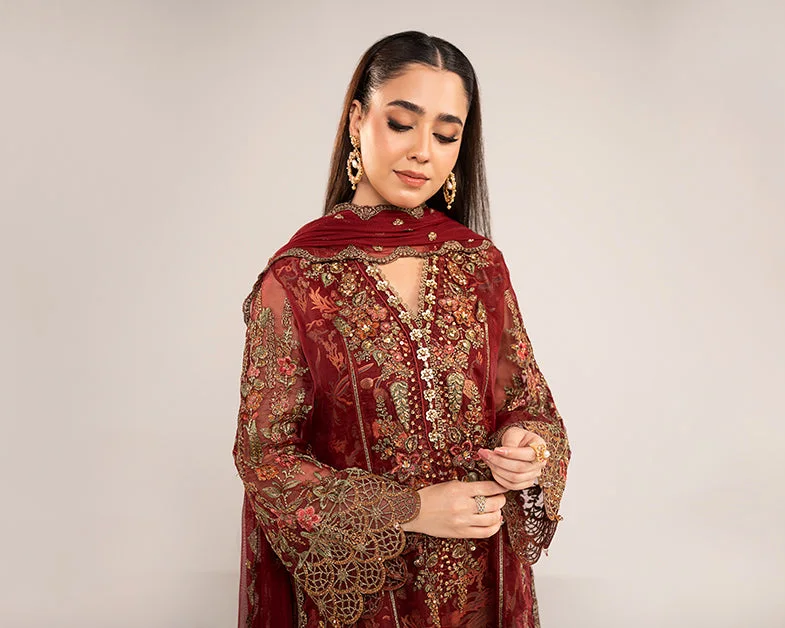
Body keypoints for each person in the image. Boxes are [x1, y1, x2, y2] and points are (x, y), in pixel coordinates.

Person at [232, 30, 571, 628]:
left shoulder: (479, 265)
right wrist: (409, 508)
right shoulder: (298, 279)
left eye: (446, 134)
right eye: (401, 124)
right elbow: (265, 458)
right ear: (357, 121)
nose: (422, 152)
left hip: (481, 586)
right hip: (367, 599)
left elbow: (528, 404)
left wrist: (529, 449)